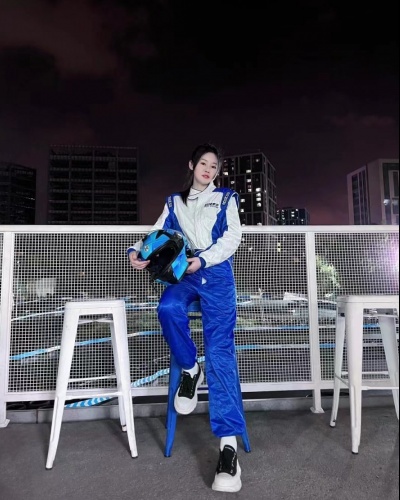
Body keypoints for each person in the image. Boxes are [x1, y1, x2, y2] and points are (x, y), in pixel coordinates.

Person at [127, 143, 247, 493]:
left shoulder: (226, 198)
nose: (209, 170)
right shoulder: (174, 202)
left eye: (214, 166)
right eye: (203, 163)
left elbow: (233, 237)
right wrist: (137, 251)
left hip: (217, 274)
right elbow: (157, 232)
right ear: (192, 165)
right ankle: (191, 368)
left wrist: (204, 260)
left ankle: (228, 448)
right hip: (184, 273)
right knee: (167, 308)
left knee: (220, 351)